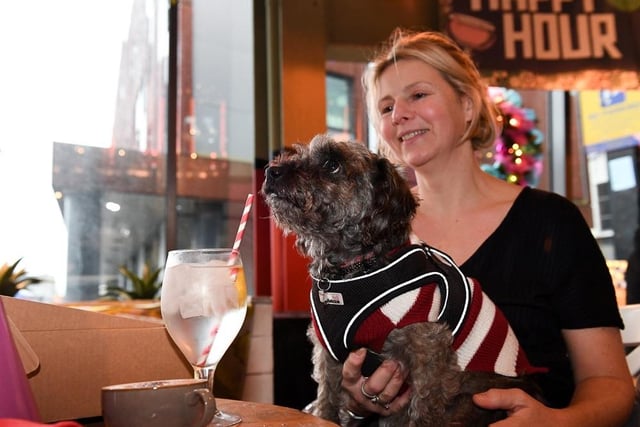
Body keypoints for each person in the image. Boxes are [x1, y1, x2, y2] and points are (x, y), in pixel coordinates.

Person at [338, 28, 636, 426]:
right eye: (386, 106)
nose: (399, 115)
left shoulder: (552, 223)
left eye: (418, 95)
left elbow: (609, 382)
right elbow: (353, 381)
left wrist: (555, 422)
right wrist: (358, 400)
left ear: (466, 104)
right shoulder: (370, 238)